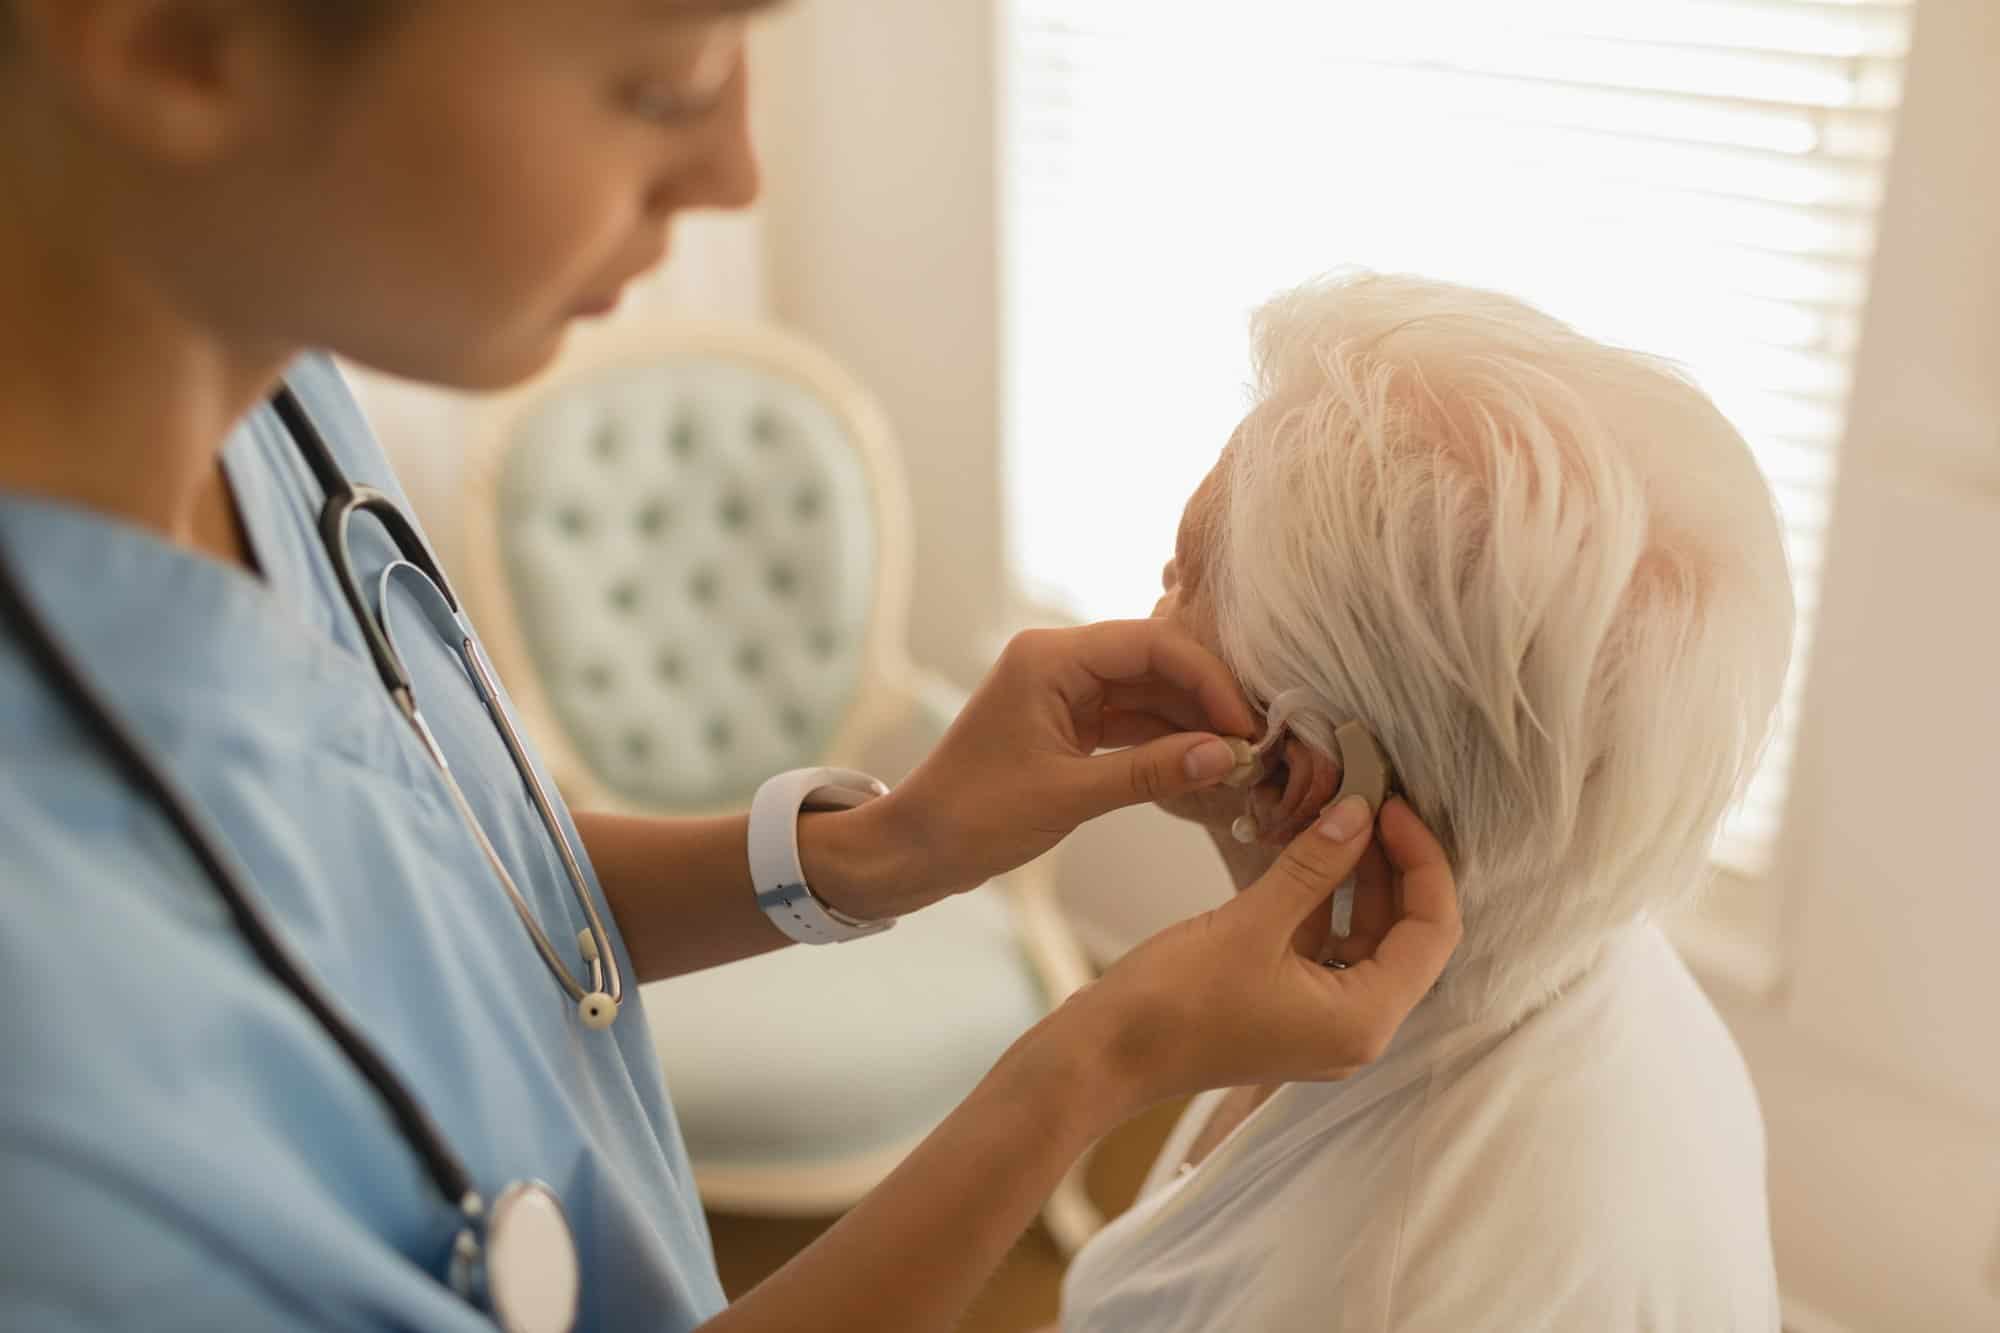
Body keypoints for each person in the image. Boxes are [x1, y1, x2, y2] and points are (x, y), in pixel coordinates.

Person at [0, 5, 1462, 1333]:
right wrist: (1096, 1060)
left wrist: (880, 848)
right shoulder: (51, 1087)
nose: (740, 172)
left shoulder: (263, 376)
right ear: (173, 39)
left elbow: (431, 879)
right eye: (672, 76)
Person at [1054, 273, 1795, 1331]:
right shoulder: (1592, 944)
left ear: (1295, 777)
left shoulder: (1362, 1291)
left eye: (1181, 579)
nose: (1150, 599)